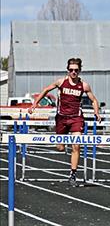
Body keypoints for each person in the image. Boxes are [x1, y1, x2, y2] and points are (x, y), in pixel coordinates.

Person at [28, 57, 102, 186]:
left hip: (76, 118)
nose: (73, 72)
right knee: (60, 147)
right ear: (67, 70)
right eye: (71, 70)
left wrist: (96, 112)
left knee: (76, 145)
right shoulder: (61, 82)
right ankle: (65, 145)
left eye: (76, 70)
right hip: (61, 118)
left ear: (80, 71)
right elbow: (46, 89)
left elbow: (94, 100)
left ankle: (73, 174)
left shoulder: (84, 85)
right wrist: (35, 104)